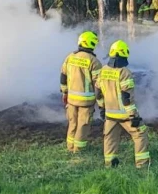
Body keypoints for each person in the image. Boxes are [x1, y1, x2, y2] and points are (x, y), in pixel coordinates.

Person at [96, 40, 150, 168]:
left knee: (110, 138)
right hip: (125, 114)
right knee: (140, 134)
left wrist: (102, 108)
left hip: (110, 114)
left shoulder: (103, 70)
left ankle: (110, 164)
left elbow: (98, 92)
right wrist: (134, 116)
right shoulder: (125, 72)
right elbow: (126, 97)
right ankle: (142, 165)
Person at [60, 30, 102, 153]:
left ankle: (70, 147)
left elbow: (63, 76)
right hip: (86, 102)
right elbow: (98, 85)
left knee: (72, 123)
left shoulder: (70, 57)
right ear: (91, 44)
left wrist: (64, 93)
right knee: (83, 125)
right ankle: (79, 151)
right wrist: (101, 102)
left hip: (72, 99)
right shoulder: (94, 62)